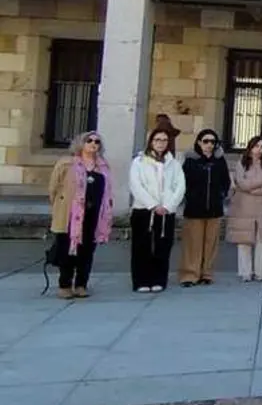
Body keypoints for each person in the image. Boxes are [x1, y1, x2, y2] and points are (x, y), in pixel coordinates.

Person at [47, 131, 113, 299]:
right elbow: (53, 188)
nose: (93, 144)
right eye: (89, 140)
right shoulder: (67, 163)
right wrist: (60, 206)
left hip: (93, 215)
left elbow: (107, 192)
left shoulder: (103, 166)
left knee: (87, 252)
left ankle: (81, 284)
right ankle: (65, 285)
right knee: (67, 250)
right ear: (81, 143)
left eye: (97, 142)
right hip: (71, 216)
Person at [129, 128, 185, 293]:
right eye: (157, 140)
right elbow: (136, 185)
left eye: (164, 140)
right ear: (151, 142)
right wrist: (152, 204)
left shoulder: (173, 164)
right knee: (141, 247)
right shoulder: (139, 162)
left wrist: (168, 206)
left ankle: (159, 279)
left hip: (166, 211)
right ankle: (141, 280)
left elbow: (180, 186)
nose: (161, 143)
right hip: (144, 210)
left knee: (163, 246)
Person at [178, 129, 231, 287]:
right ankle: (190, 274)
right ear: (199, 142)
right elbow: (183, 182)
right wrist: (190, 196)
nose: (209, 145)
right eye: (206, 141)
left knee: (210, 244)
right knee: (193, 244)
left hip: (214, 209)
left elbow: (226, 181)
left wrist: (221, 195)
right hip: (194, 209)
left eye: (212, 142)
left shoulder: (219, 161)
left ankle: (206, 273)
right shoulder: (191, 161)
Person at [228, 136, 262, 282]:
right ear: (250, 148)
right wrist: (261, 182)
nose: (259, 150)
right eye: (256, 146)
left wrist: (253, 189)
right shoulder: (241, 164)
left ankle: (260, 272)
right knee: (244, 241)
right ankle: (245, 272)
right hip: (243, 207)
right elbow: (242, 183)